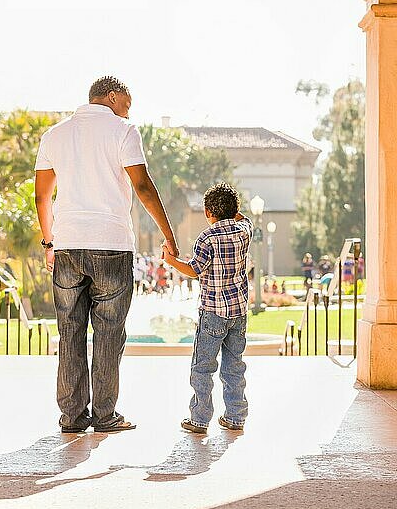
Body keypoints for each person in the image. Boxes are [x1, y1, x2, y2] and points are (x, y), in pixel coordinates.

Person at [34, 76, 179, 434]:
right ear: (112, 97)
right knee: (109, 334)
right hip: (112, 246)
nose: (128, 111)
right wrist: (169, 235)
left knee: (70, 332)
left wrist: (49, 241)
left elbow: (42, 196)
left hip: (68, 245)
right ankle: (104, 415)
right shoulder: (123, 130)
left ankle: (71, 417)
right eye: (127, 103)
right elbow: (142, 185)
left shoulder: (54, 134)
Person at [162, 182, 253, 435]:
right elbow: (244, 219)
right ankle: (235, 417)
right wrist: (233, 210)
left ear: (207, 212)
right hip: (238, 313)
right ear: (234, 209)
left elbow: (193, 270)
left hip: (212, 312)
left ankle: (200, 419)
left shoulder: (207, 237)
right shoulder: (245, 231)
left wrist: (171, 261)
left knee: (203, 367)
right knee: (234, 365)